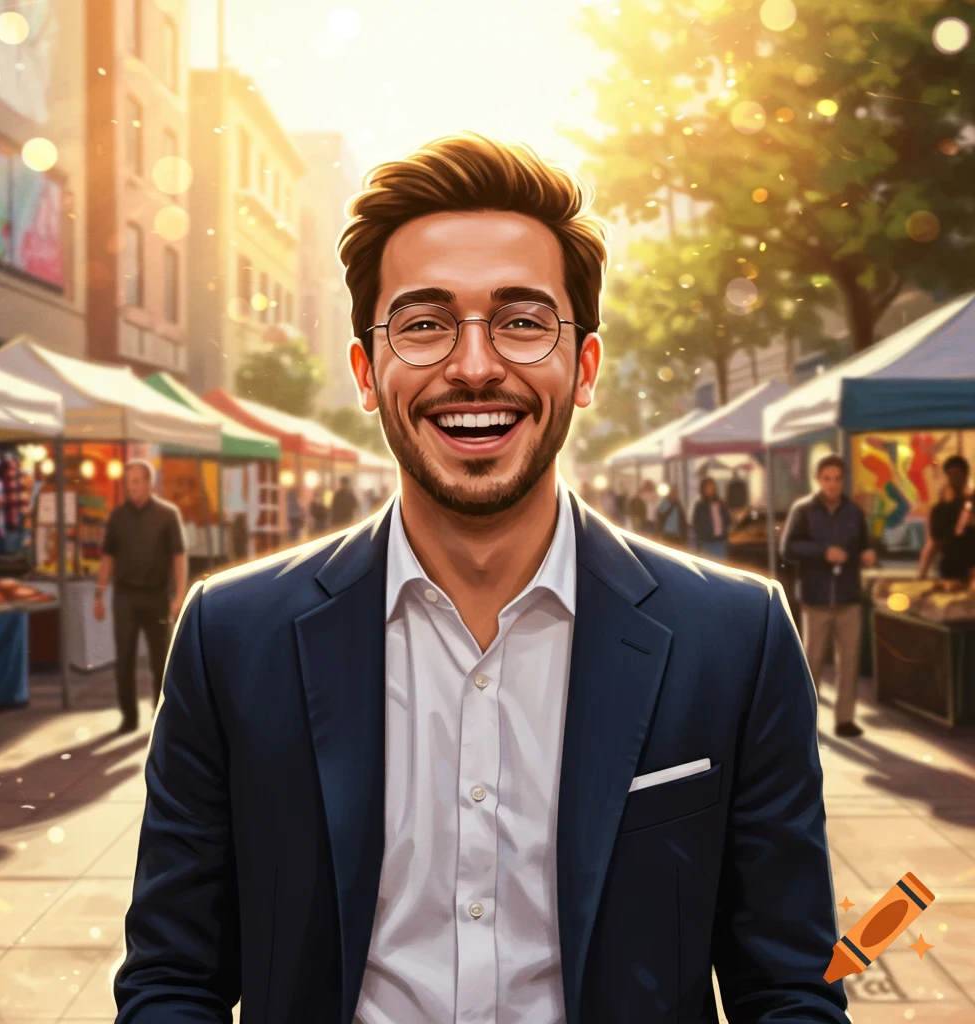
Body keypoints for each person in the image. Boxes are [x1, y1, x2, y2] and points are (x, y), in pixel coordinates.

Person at [116, 134, 848, 1024]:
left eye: (522, 321)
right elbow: (172, 978)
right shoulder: (233, 637)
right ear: (366, 370)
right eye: (424, 324)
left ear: (583, 367)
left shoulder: (735, 637)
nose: (472, 366)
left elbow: (792, 989)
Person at [781, 454, 877, 738]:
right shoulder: (804, 510)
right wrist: (823, 552)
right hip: (816, 599)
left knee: (849, 662)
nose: (832, 484)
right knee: (812, 660)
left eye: (837, 479)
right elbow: (788, 547)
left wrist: (868, 553)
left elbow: (865, 544)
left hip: (849, 597)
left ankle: (845, 720)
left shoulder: (854, 512)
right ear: (818, 480)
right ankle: (807, 721)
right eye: (827, 479)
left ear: (843, 480)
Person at [93, 460, 187, 734]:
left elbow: (178, 557)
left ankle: (160, 716)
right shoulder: (118, 517)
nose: (130, 487)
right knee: (124, 659)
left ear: (149, 483)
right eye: (128, 482)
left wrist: (179, 595)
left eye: (136, 481)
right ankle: (129, 717)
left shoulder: (167, 516)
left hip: (157, 597)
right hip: (124, 598)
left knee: (160, 661)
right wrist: (99, 594)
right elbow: (108, 557)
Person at [918, 455, 975, 584]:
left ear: (965, 475)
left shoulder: (972, 503)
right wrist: (922, 573)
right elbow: (934, 543)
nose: (954, 479)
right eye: (951, 475)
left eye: (958, 474)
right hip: (950, 569)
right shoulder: (940, 509)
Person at [692, 476, 731, 560]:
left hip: (721, 542)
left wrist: (725, 532)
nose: (710, 489)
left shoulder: (721, 504)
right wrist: (702, 538)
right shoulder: (700, 506)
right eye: (708, 488)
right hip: (708, 543)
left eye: (712, 487)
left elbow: (727, 520)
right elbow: (696, 524)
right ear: (703, 490)